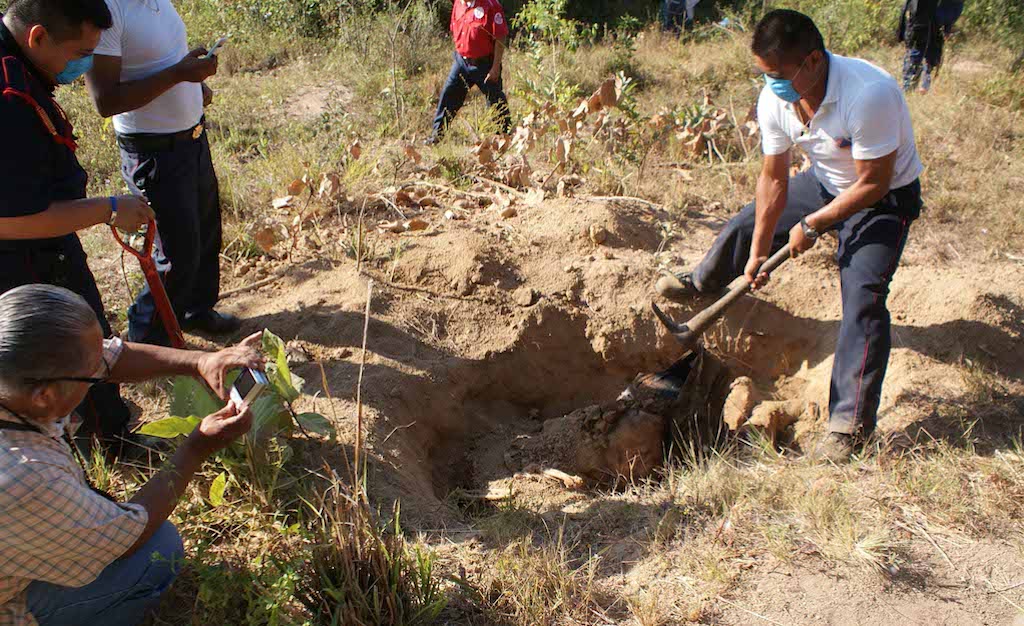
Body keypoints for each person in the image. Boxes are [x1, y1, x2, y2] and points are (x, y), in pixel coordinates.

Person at [655, 9, 924, 462]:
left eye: (778, 74)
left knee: (863, 296)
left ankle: (848, 426)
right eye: (764, 74)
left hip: (884, 198)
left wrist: (813, 225)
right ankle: (705, 281)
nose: (770, 84)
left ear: (813, 61)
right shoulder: (775, 98)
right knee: (745, 224)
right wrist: (760, 251)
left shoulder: (869, 94)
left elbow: (874, 181)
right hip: (825, 182)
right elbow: (774, 180)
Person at [0, 284, 264, 626]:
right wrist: (196, 447)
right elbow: (127, 538)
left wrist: (201, 360)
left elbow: (111, 357)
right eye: (90, 373)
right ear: (43, 397)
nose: (100, 371)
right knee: (158, 551)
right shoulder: (27, 474)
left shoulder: (15, 372)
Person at [0, 0, 157, 450]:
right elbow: (12, 220)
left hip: (46, 251)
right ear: (38, 37)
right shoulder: (8, 100)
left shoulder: (21, 69)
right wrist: (108, 208)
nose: (82, 66)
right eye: (77, 55)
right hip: (25, 269)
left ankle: (109, 433)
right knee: (68, 355)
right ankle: (94, 451)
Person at [86, 0, 240, 347]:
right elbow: (105, 101)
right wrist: (180, 75)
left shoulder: (158, 2)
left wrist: (193, 83)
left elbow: (164, 58)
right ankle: (147, 339)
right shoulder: (108, 12)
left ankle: (195, 312)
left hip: (192, 138)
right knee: (176, 253)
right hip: (154, 152)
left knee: (205, 233)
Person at [426, 0, 512, 145]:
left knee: (496, 101)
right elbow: (455, 29)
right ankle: (437, 135)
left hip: (485, 64)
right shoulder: (458, 4)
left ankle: (504, 136)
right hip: (462, 62)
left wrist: (495, 67)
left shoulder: (490, 5)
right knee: (449, 95)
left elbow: (500, 37)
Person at [898, 0, 960, 93]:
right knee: (918, 51)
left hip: (931, 17)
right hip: (922, 16)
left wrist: (947, 26)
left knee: (926, 53)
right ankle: (910, 87)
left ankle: (918, 86)